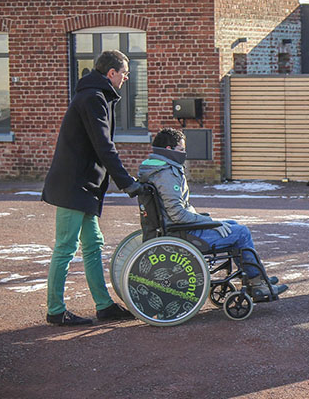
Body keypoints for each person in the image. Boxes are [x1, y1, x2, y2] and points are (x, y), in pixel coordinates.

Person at [42, 50, 142, 326]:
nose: (126, 77)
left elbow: (100, 148)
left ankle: (104, 305)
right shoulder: (93, 98)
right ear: (111, 73)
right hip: (73, 185)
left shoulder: (97, 96)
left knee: (93, 244)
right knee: (65, 247)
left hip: (83, 186)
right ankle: (55, 310)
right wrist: (127, 183)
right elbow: (103, 146)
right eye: (124, 73)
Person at [137, 127, 286, 300]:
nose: (184, 154)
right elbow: (178, 214)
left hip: (176, 229)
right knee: (242, 232)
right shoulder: (166, 174)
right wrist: (208, 220)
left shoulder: (156, 169)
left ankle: (255, 277)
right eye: (181, 150)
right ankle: (258, 283)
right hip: (182, 234)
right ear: (169, 150)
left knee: (232, 225)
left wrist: (208, 220)